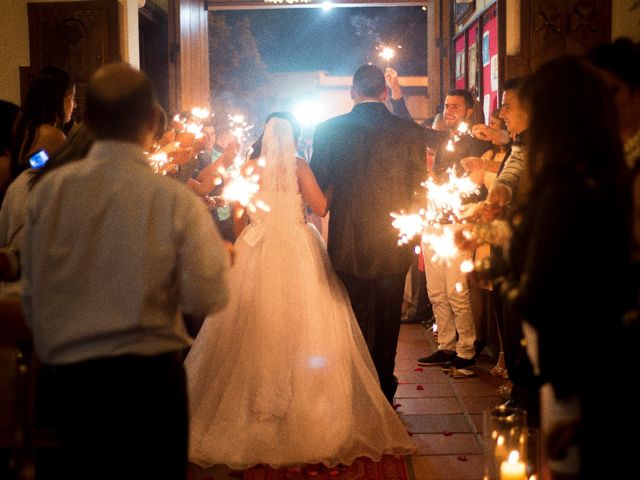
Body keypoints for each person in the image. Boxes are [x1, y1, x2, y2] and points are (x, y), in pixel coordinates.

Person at [21, 63, 230, 480]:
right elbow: (205, 298)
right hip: (149, 380)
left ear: (89, 118)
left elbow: (34, 289)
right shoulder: (174, 200)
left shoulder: (49, 191)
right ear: (153, 121)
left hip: (73, 377)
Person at [186, 115, 414, 469]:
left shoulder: (250, 167)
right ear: (293, 135)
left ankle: (249, 409)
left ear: (265, 134)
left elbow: (238, 215)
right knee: (306, 322)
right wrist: (334, 187)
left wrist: (252, 230)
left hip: (256, 247)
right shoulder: (298, 166)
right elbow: (321, 207)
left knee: (249, 324)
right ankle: (310, 410)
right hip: (296, 245)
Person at [508, 56, 630, 478]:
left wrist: (508, 283)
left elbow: (539, 288)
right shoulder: (606, 173)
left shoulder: (562, 187)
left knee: (569, 464)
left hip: (571, 352)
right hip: (603, 351)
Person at [310, 65, 426, 403]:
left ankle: (359, 393)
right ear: (384, 92)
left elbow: (318, 182)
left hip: (348, 238)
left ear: (352, 92)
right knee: (390, 316)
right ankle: (385, 387)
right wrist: (414, 231)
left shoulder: (330, 130)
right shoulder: (408, 131)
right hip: (395, 236)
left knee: (355, 315)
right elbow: (420, 187)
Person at [386, 68, 489, 370]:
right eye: (446, 106)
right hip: (434, 221)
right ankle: (446, 344)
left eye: (455, 106)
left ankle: (467, 350)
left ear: (470, 110)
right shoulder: (443, 139)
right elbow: (409, 128)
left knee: (457, 290)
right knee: (436, 291)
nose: (449, 111)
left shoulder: (479, 140)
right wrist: (396, 92)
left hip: (459, 223)